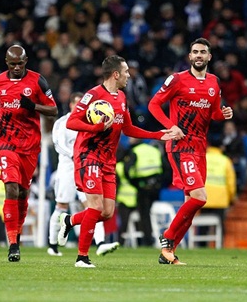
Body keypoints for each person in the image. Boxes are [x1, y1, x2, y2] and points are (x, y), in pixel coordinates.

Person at [57, 55, 174, 268]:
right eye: (126, 71)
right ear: (116, 74)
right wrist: (96, 128)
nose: (129, 75)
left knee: (107, 212)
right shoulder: (93, 95)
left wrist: (158, 135)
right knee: (95, 207)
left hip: (108, 162)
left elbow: (128, 128)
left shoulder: (121, 97)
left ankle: (69, 221)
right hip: (89, 156)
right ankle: (82, 257)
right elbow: (72, 121)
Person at [148, 37, 233, 265]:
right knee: (200, 197)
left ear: (209, 57)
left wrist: (222, 114)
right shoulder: (177, 80)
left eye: (202, 52)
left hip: (200, 147)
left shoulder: (214, 82)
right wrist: (170, 126)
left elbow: (213, 112)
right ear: (189, 56)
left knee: (191, 205)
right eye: (194, 52)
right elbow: (153, 105)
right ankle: (167, 238)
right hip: (180, 145)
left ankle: (168, 253)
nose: (198, 55)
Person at [0, 44, 58, 262]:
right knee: (12, 189)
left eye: (20, 63)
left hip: (30, 146)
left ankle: (16, 235)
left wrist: (33, 106)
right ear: (7, 63)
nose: (16, 67)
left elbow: (53, 109)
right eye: (12, 64)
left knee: (23, 193)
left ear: (26, 62)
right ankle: (13, 243)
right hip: (6, 143)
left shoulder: (37, 81)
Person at [47, 92, 120, 256]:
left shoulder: (91, 121)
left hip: (85, 167)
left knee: (94, 206)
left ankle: (100, 242)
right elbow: (57, 144)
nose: (82, 107)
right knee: (61, 206)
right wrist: (74, 154)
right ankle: (52, 245)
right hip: (67, 169)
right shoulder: (62, 122)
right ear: (72, 105)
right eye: (78, 103)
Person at [122, 137, 165, 247]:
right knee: (147, 212)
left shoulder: (135, 151)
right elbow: (166, 168)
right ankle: (148, 239)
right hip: (156, 187)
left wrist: (135, 184)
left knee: (144, 214)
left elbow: (126, 170)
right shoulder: (154, 149)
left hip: (142, 187)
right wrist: (160, 183)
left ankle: (147, 240)